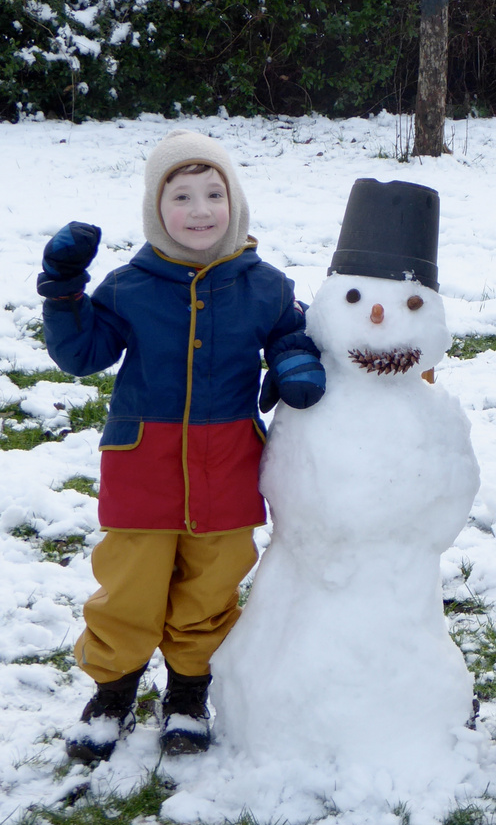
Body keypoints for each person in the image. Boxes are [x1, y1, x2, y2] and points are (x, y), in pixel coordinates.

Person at [37, 129, 326, 763]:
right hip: (144, 465)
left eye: (214, 194)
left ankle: (189, 693)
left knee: (212, 584)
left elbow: (290, 336)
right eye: (182, 196)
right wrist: (63, 291)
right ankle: (112, 690)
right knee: (130, 585)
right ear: (155, 209)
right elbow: (82, 354)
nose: (200, 211)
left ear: (236, 201)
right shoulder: (129, 285)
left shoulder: (265, 285)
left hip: (228, 465)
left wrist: (294, 365)